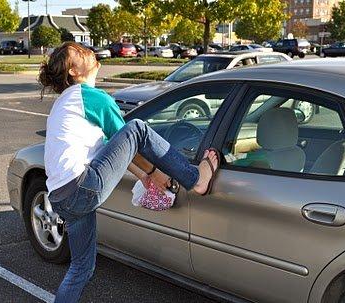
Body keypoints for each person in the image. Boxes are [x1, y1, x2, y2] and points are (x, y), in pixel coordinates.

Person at [38, 41, 219, 303]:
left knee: (81, 268)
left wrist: (146, 176)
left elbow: (116, 148)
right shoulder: (87, 96)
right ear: (73, 71)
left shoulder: (65, 104)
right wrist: (156, 172)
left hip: (61, 197)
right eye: (78, 52)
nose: (86, 50)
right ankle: (196, 179)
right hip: (81, 187)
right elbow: (132, 140)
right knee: (137, 127)